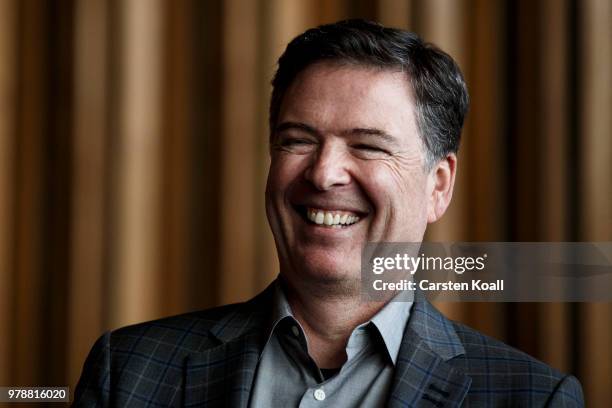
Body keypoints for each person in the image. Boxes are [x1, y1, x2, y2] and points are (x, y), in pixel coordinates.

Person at [74, 19, 584, 407]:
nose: (323, 174)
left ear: (438, 186)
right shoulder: (129, 370)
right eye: (298, 140)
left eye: (367, 146)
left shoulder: (536, 398)